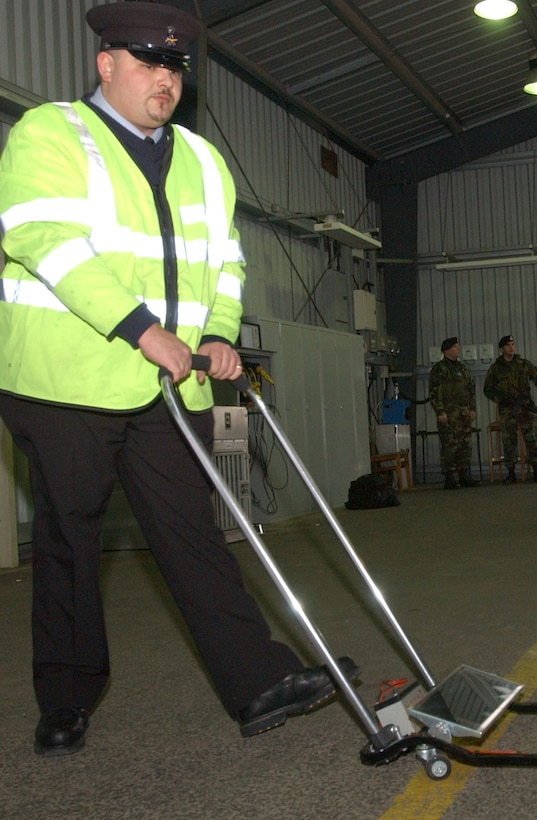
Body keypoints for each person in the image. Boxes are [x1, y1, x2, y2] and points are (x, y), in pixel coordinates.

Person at [0, 1, 355, 757]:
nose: (165, 78)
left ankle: (256, 682)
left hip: (171, 382)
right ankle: (65, 699)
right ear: (107, 64)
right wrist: (140, 328)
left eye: (175, 67)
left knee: (192, 531)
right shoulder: (51, 134)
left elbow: (225, 260)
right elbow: (43, 240)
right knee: (70, 538)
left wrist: (219, 332)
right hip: (65, 382)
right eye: (148, 62)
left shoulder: (201, 158)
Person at [483, 335, 537, 483]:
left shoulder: (522, 364)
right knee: (509, 440)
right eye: (508, 345)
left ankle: (536, 470)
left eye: (513, 344)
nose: (511, 347)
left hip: (525, 406)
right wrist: (500, 399)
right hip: (507, 409)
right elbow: (487, 389)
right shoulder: (495, 369)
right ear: (502, 349)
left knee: (531, 438)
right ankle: (511, 472)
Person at [429, 337, 480, 490]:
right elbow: (434, 391)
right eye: (455, 347)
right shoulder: (439, 369)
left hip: (463, 413)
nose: (458, 349)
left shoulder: (463, 368)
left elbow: (470, 390)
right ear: (446, 350)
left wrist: (472, 409)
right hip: (448, 414)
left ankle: (464, 475)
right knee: (450, 445)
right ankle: (450, 477)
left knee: (465, 445)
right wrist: (440, 411)